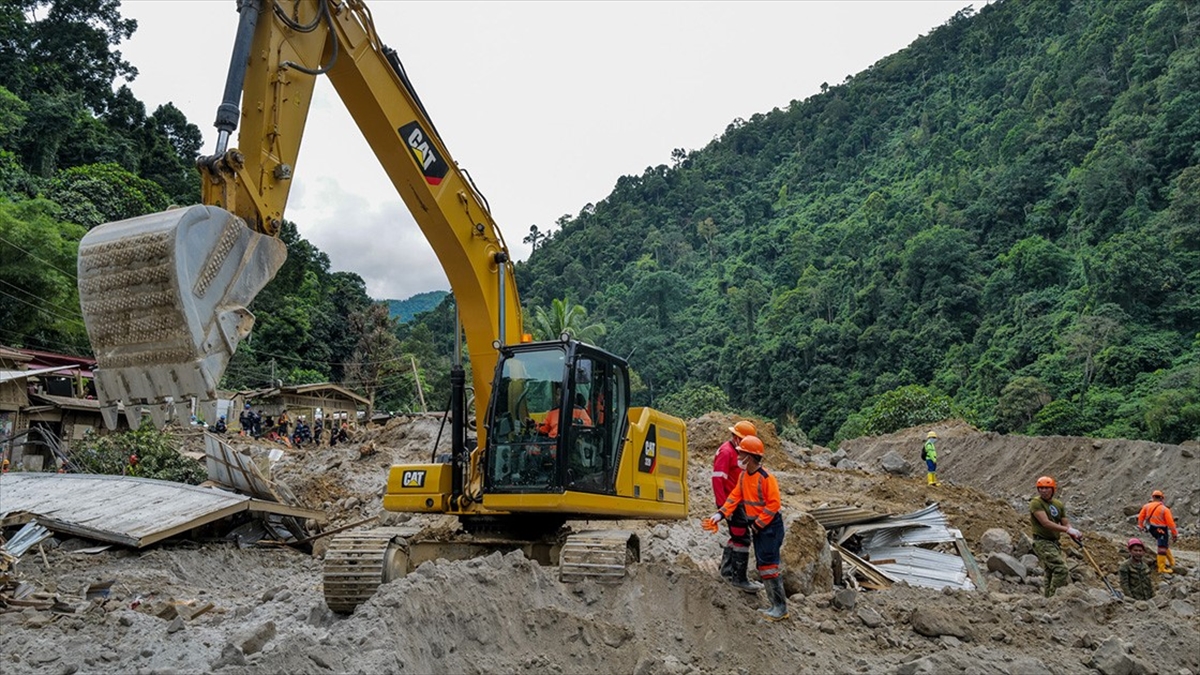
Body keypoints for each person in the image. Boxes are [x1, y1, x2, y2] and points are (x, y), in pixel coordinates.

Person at [705, 435, 788, 621]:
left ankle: (780, 607)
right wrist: (720, 514)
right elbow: (734, 497)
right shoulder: (743, 476)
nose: (738, 457)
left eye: (741, 454)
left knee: (768, 565)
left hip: (770, 527)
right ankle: (775, 605)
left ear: (749, 457)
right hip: (759, 527)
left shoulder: (766, 478)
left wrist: (758, 524)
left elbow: (773, 504)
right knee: (763, 564)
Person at [711, 419, 761, 590]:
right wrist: (723, 507)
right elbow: (718, 480)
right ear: (738, 438)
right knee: (742, 537)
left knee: (737, 536)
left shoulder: (736, 452)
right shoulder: (726, 452)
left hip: (738, 502)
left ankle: (727, 572)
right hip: (732, 504)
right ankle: (739, 578)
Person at [1029, 475, 1081, 597]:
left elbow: (1065, 522)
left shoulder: (1058, 504)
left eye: (1047, 488)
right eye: (1041, 488)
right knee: (1061, 569)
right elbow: (1045, 523)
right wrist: (1067, 530)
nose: (1043, 491)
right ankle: (1054, 598)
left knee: (1050, 573)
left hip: (1054, 542)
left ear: (1053, 489)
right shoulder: (1036, 503)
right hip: (1042, 542)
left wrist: (1073, 531)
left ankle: (1047, 600)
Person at [1137, 489, 1179, 574]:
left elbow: (1141, 517)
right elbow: (1171, 523)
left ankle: (1172, 562)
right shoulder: (1164, 509)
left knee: (1164, 544)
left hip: (1152, 529)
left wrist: (1141, 526)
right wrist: (1175, 534)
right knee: (1162, 547)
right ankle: (1161, 568)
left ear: (1152, 497)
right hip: (1161, 530)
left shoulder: (1146, 506)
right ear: (1162, 498)